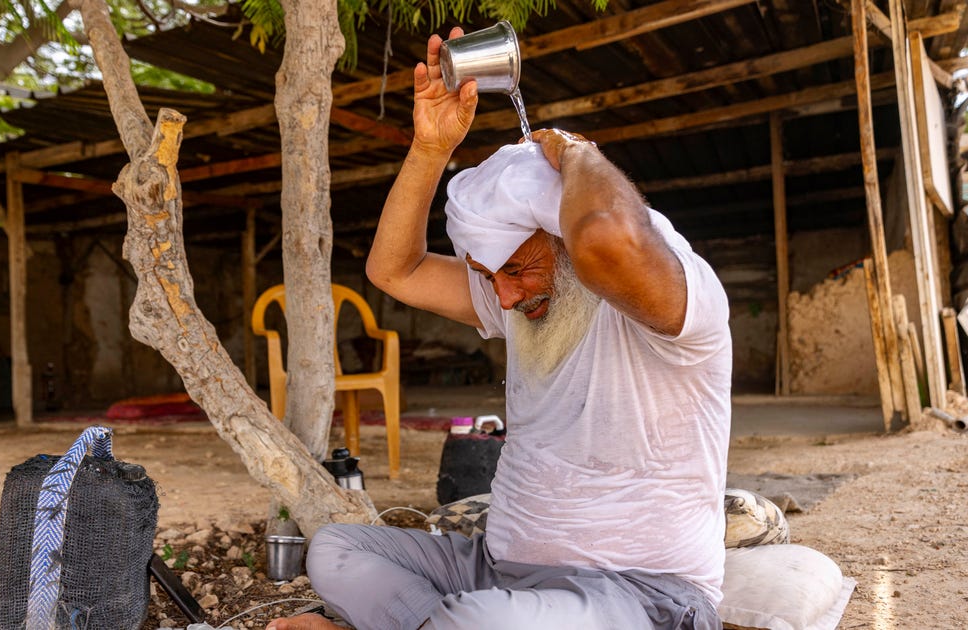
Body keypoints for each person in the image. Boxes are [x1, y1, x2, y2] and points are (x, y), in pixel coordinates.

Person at [268, 26, 730, 630]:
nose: (503, 294)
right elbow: (395, 269)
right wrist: (431, 148)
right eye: (488, 275)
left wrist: (576, 153)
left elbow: (608, 238)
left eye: (517, 267)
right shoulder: (526, 301)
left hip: (639, 594)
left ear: (563, 240)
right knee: (337, 549)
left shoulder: (668, 302)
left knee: (480, 623)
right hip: (495, 569)